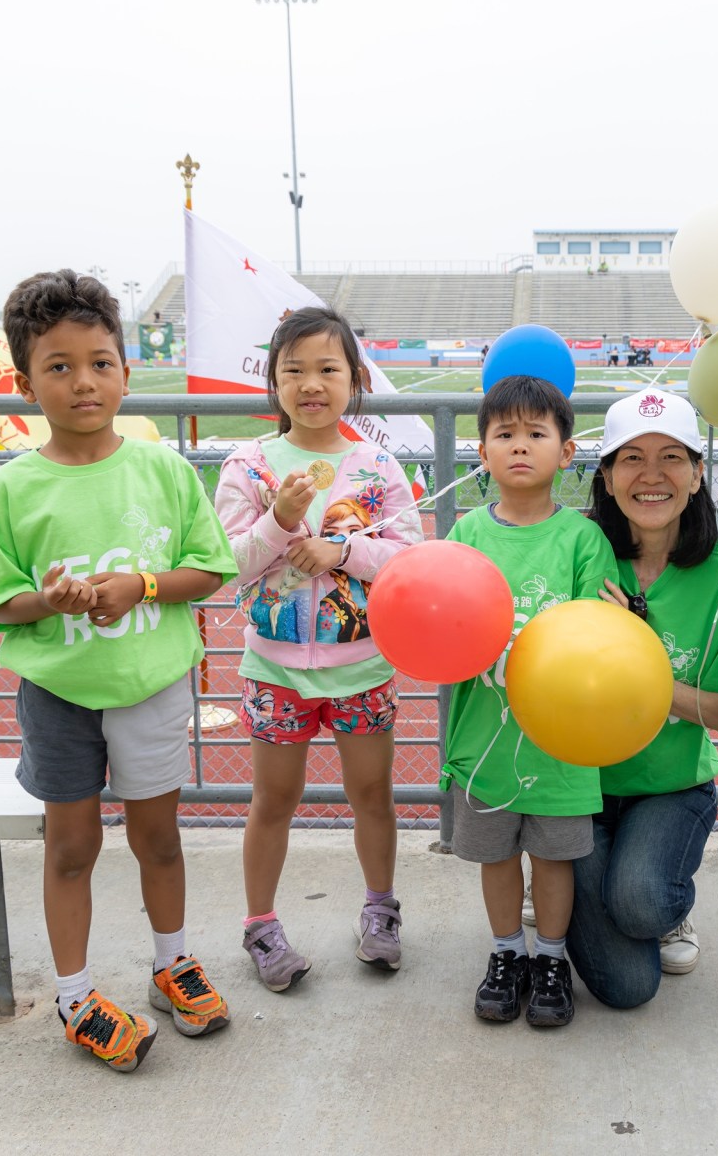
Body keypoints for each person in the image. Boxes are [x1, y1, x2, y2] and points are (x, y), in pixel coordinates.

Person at [0, 269, 237, 1071]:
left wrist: (140, 586)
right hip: (56, 694)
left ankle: (171, 962)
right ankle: (76, 996)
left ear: (125, 369)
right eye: (58, 365)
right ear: (24, 383)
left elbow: (208, 569)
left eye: (100, 362)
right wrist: (46, 602)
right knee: (71, 848)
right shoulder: (10, 489)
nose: (83, 381)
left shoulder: (164, 472)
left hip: (150, 684)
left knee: (159, 839)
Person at [215, 307, 422, 989]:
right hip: (275, 671)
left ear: (354, 379)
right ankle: (261, 925)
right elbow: (232, 562)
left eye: (327, 369)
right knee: (274, 799)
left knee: (373, 794)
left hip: (364, 667)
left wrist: (343, 549)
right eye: (293, 370)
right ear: (272, 382)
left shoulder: (378, 465)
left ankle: (380, 910)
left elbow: (410, 561)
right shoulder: (249, 465)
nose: (311, 383)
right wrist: (279, 522)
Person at [567, 390, 718, 1007]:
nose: (652, 476)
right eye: (631, 458)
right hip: (576, 785)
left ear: (700, 474)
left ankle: (664, 899)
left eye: (672, 457)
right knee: (629, 989)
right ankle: (559, 882)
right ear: (605, 474)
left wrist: (639, 658)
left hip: (671, 785)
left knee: (642, 903)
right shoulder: (577, 554)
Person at [442, 374, 618, 1027]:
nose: (520, 447)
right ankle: (506, 952)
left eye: (536, 434)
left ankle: (550, 958)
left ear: (566, 452)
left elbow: (595, 639)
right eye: (504, 434)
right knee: (494, 855)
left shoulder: (582, 540)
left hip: (560, 744)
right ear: (482, 452)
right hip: (484, 739)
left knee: (552, 856)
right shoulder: (466, 534)